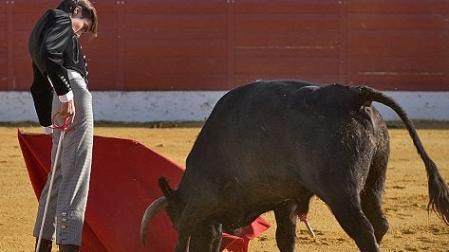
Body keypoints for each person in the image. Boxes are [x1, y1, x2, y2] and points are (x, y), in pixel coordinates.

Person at [28, 0, 98, 251]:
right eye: (83, 27)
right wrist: (67, 95)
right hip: (71, 93)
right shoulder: (60, 19)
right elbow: (50, 54)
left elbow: (38, 84)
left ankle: (43, 243)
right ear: (76, 10)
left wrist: (47, 123)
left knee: (58, 173)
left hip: (57, 98)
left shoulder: (39, 28)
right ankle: (69, 244)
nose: (78, 34)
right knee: (76, 171)